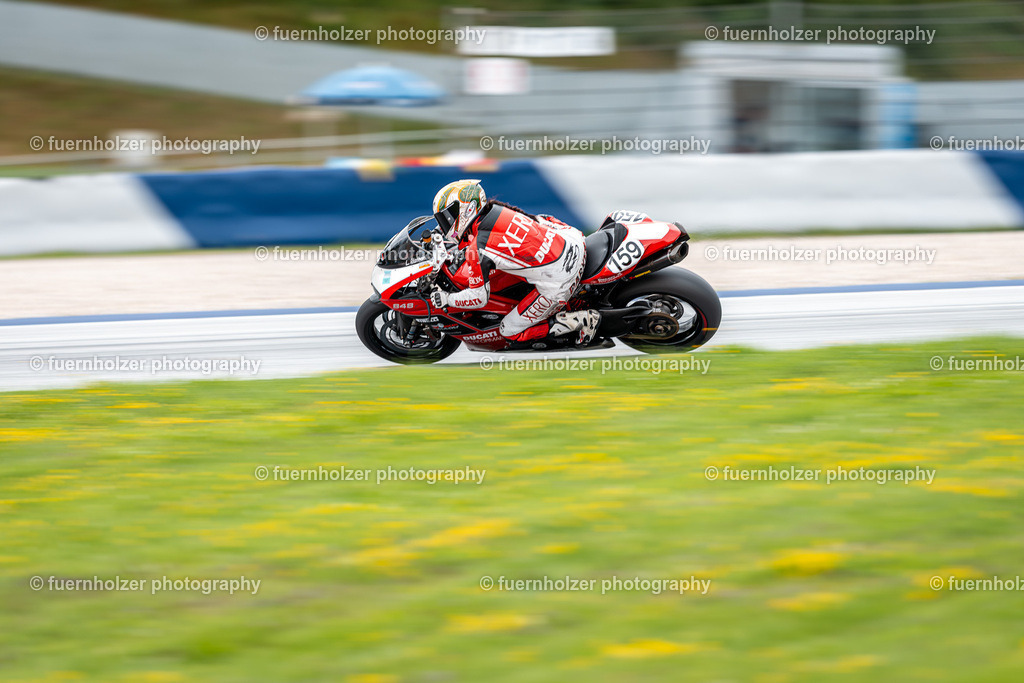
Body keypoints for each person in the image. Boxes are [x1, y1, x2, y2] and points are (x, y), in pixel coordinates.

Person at [427, 179, 601, 345]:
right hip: (574, 242)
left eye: (447, 217)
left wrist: (446, 299)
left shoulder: (477, 248)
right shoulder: (497, 210)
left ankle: (580, 321)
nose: (445, 225)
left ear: (468, 209)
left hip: (562, 277)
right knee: (542, 219)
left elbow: (478, 298)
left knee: (508, 331)